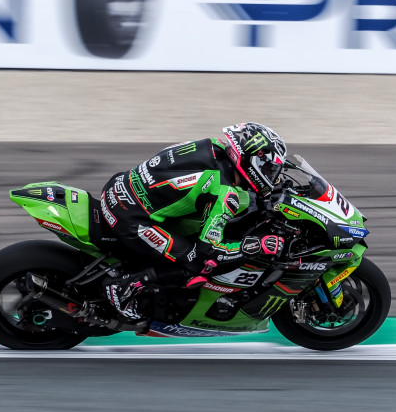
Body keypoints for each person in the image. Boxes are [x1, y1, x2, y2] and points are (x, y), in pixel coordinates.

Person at [99, 122, 288, 321]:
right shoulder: (224, 193)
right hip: (131, 219)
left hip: (119, 187)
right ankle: (125, 288)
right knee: (196, 263)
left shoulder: (212, 145)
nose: (271, 176)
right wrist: (255, 246)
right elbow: (209, 251)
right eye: (268, 169)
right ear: (252, 161)